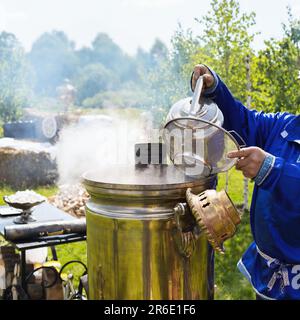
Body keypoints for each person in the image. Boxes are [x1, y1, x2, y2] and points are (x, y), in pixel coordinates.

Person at [191, 64, 300, 300]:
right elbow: (245, 122)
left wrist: (273, 170)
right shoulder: (285, 126)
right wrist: (216, 91)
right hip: (273, 276)